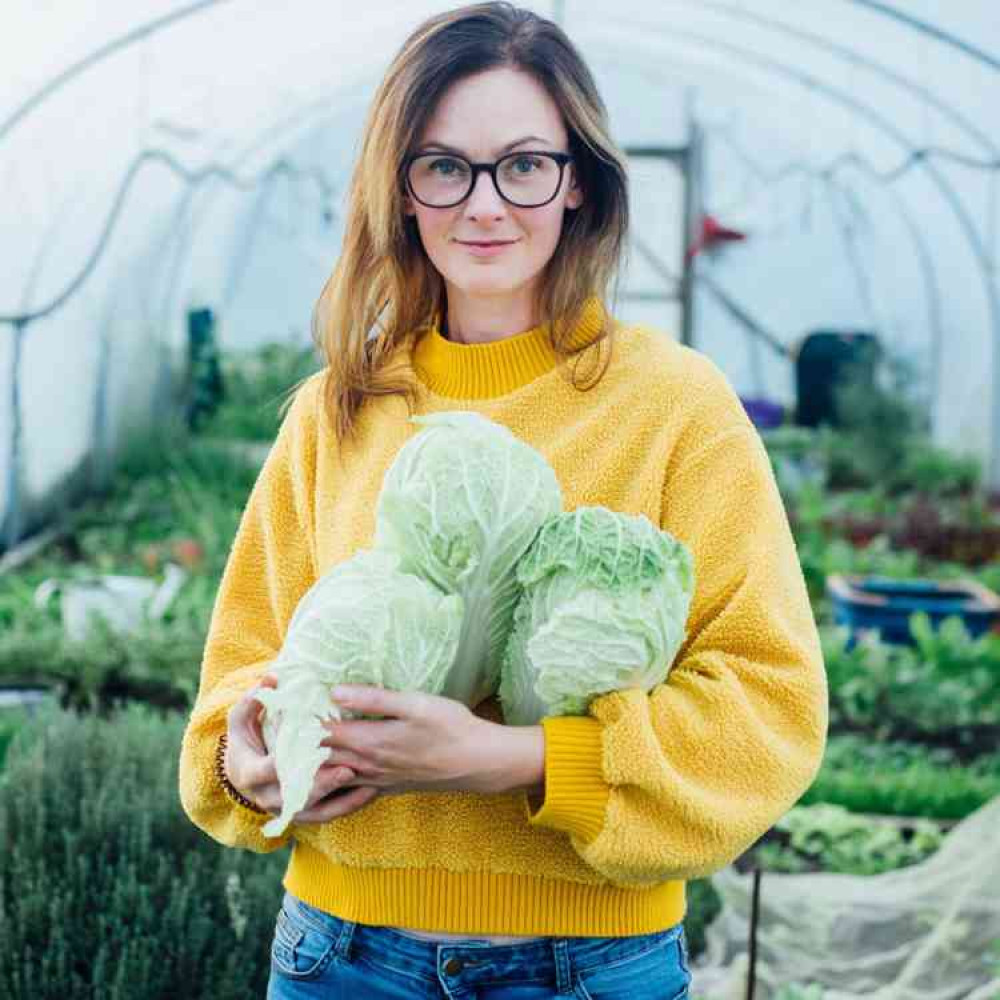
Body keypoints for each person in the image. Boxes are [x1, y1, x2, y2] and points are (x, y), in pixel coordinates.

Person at [178, 3, 828, 997]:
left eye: (523, 164)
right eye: (444, 166)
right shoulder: (335, 407)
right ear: (399, 189)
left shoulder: (674, 404)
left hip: (592, 964)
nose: (484, 204)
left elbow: (768, 707)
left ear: (578, 183)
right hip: (341, 956)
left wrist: (514, 757)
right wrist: (249, 760)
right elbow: (236, 678)